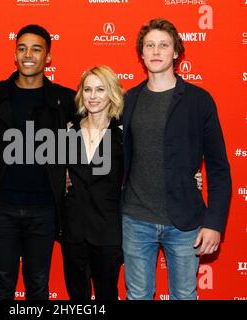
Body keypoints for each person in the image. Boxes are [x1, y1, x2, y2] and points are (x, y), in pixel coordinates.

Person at [121, 18, 232, 300]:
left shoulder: (199, 100)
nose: (156, 50)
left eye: (163, 44)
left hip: (185, 221)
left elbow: (219, 168)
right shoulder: (128, 100)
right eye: (149, 45)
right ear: (141, 53)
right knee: (138, 295)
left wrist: (214, 223)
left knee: (184, 295)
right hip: (135, 219)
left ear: (176, 52)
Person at [0, 24, 76, 300]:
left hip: (44, 209)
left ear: (48, 57)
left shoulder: (64, 99)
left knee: (38, 285)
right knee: (1, 284)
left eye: (36, 49)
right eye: (22, 48)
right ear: (15, 54)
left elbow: (92, 141)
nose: (28, 55)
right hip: (3, 208)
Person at [61, 66, 124, 300]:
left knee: (108, 295)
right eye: (87, 89)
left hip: (108, 231)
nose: (93, 96)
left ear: (112, 94)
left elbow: (142, 172)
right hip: (73, 230)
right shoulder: (67, 132)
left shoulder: (122, 135)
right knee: (77, 296)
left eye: (100, 89)